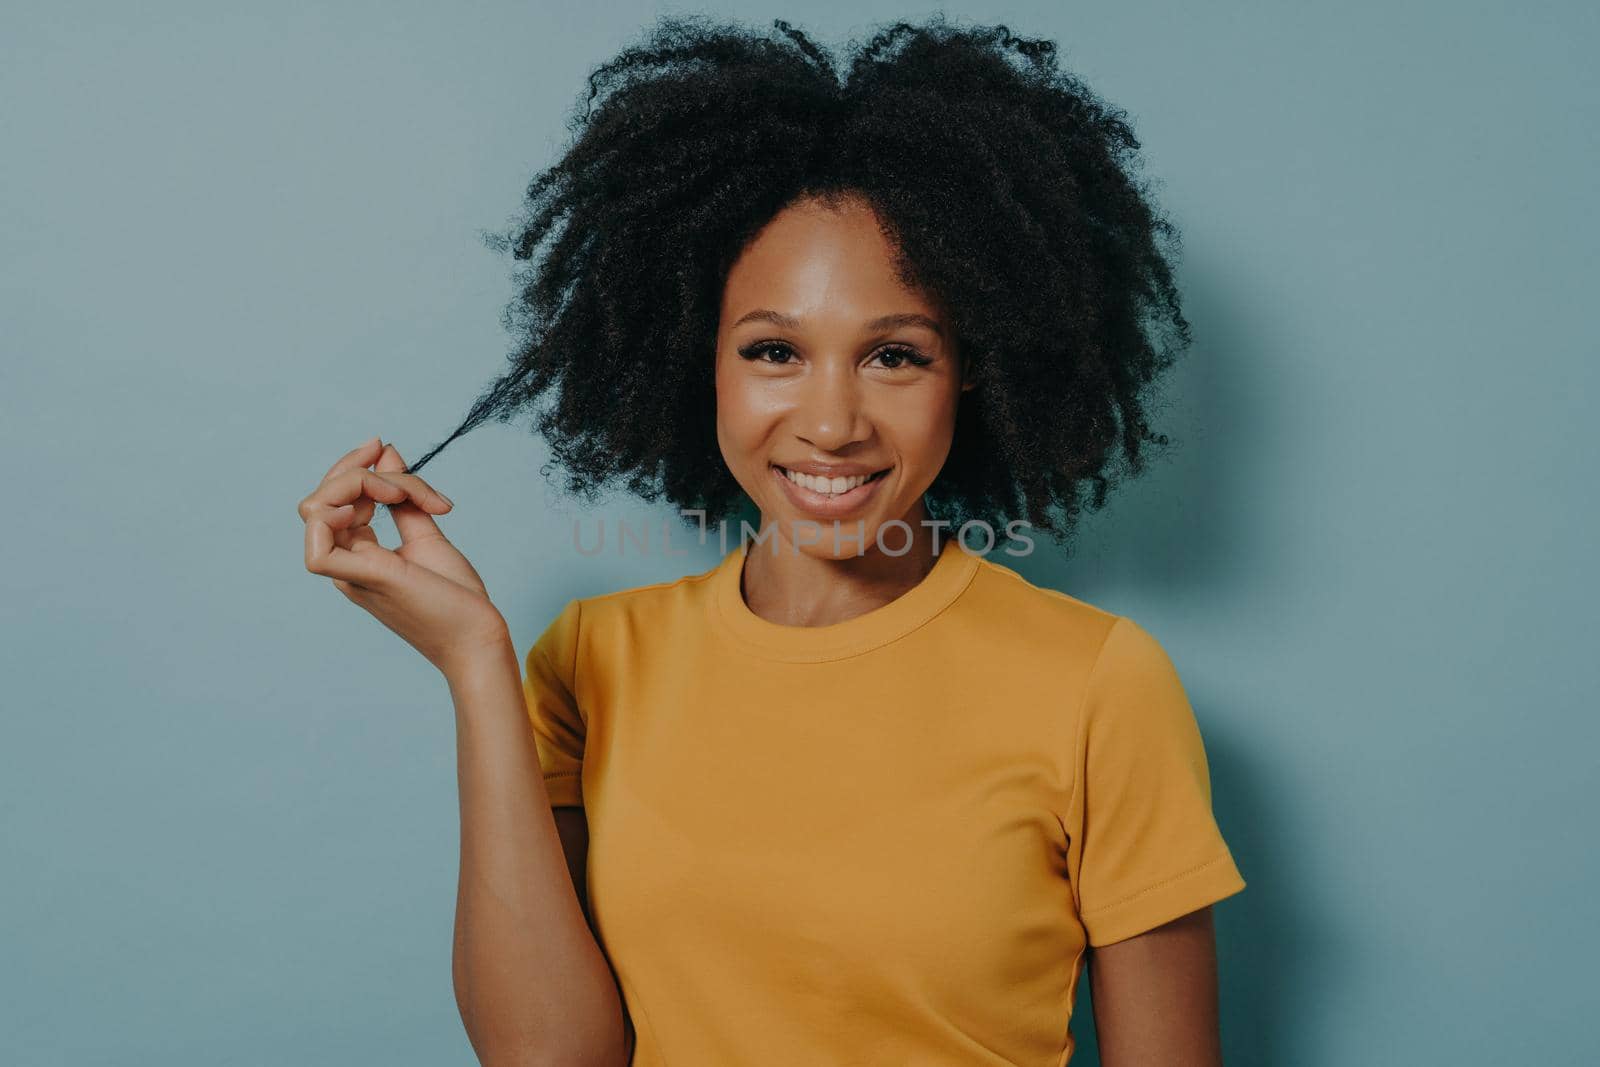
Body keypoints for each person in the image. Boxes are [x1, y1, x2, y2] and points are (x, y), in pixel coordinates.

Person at [298, 14, 1247, 1066]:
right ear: (692, 354)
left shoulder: (1097, 684)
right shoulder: (590, 659)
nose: (832, 421)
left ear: (972, 365)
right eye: (773, 350)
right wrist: (474, 662)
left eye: (894, 355)